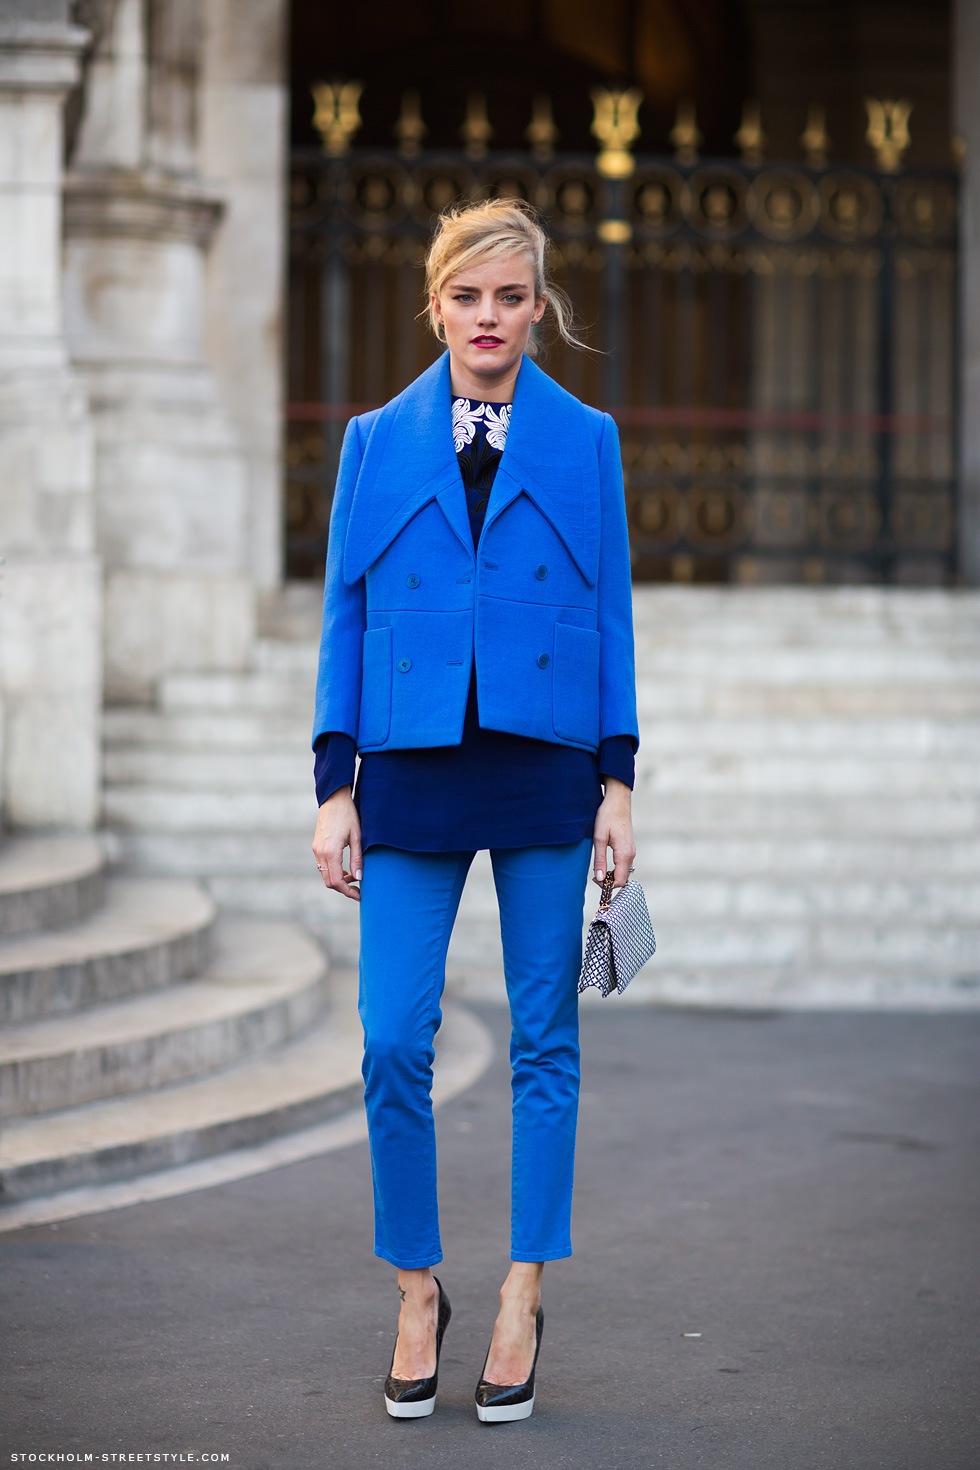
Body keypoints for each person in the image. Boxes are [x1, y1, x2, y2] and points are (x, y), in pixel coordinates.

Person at [310, 196, 639, 1423]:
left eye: (510, 297)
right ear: (435, 306)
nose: (488, 317)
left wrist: (618, 781)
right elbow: (344, 616)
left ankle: (520, 1292)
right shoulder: (372, 440)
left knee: (545, 1038)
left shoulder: (587, 439)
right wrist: (332, 785)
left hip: (545, 761)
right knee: (392, 1039)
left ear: (539, 307)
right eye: (466, 297)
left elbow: (609, 609)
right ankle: (415, 1289)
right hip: (408, 764)